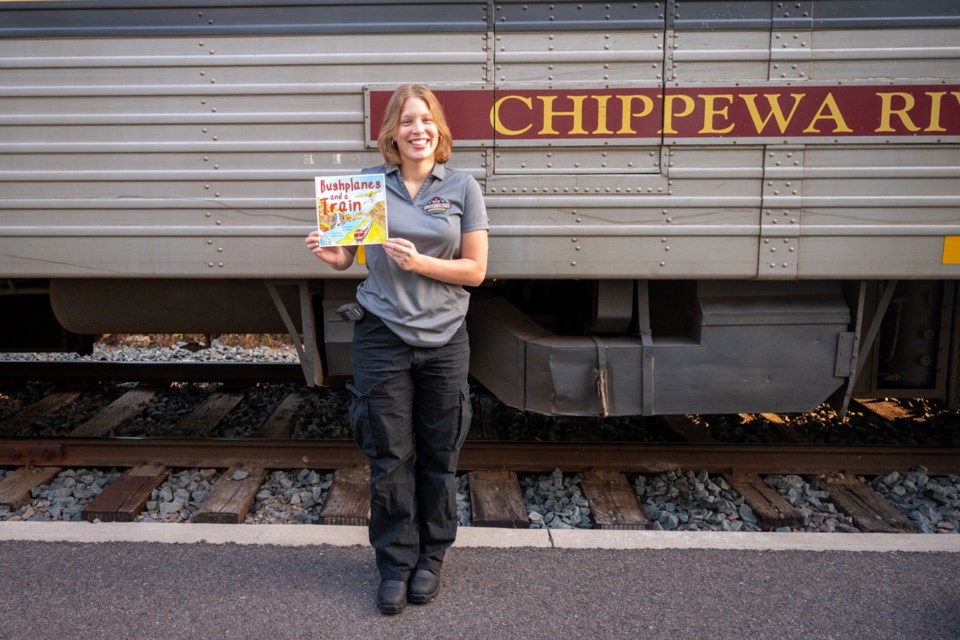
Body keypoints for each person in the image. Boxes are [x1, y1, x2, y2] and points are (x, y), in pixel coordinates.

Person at [304, 84, 489, 615]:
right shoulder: (365, 186)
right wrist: (331, 253)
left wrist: (422, 263)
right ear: (392, 132)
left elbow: (474, 271)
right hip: (382, 334)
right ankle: (394, 564)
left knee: (439, 455)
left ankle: (431, 559)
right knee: (389, 457)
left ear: (439, 130)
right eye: (407, 120)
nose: (418, 129)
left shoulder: (460, 187)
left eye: (426, 120)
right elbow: (348, 260)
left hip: (445, 338)